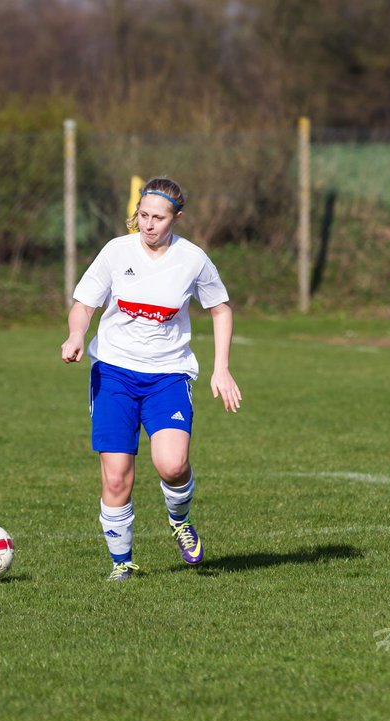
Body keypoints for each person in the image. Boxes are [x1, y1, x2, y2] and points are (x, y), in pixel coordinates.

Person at [61, 176, 241, 580]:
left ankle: (179, 520)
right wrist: (76, 334)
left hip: (168, 375)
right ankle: (122, 564)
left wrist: (222, 367)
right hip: (114, 372)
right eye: (143, 215)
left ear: (176, 217)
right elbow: (83, 304)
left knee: (173, 465)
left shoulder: (192, 259)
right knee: (116, 476)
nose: (148, 224)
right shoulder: (116, 251)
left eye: (158, 218)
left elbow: (221, 309)